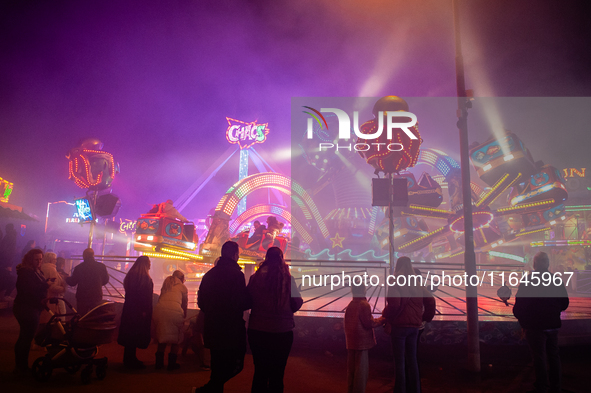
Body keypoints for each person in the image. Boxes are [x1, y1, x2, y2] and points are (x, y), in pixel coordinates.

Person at [193, 241, 250, 393]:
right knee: (235, 363)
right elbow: (242, 302)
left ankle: (211, 388)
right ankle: (210, 388)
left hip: (213, 326)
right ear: (234, 255)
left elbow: (201, 302)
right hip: (232, 327)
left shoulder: (209, 275)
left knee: (217, 363)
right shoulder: (238, 275)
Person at [247, 247, 303, 393]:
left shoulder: (255, 278)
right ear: (281, 258)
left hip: (257, 330)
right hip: (282, 331)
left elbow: (247, 300)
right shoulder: (289, 279)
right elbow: (296, 303)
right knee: (277, 373)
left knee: (260, 371)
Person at [513, 251, 569, 393]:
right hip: (552, 324)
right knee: (554, 356)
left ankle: (542, 387)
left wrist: (521, 319)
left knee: (539, 357)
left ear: (535, 264)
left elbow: (520, 304)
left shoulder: (528, 280)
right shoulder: (556, 280)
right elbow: (564, 303)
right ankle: (556, 387)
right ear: (548, 264)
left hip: (534, 325)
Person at [382, 257, 435, 393]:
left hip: (399, 327)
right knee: (412, 360)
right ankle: (416, 390)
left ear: (397, 266)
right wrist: (424, 318)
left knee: (399, 362)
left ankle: (400, 390)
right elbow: (430, 300)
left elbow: (394, 304)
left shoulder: (395, 281)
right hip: (414, 328)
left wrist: (385, 315)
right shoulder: (417, 283)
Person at [13, 249, 49, 373]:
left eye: (40, 259)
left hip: (30, 307)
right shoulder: (26, 272)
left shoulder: (34, 271)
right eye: (36, 259)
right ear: (30, 260)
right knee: (26, 338)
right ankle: (21, 367)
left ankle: (20, 366)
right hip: (27, 307)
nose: (39, 262)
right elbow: (30, 290)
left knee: (24, 337)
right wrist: (45, 285)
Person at [344, 283, 384, 393]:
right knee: (361, 370)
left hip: (351, 340)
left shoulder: (350, 304)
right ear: (364, 290)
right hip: (362, 341)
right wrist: (382, 319)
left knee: (351, 369)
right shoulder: (364, 305)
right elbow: (369, 323)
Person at [117, 255, 154, 369]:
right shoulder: (146, 279)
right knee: (136, 334)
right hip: (140, 311)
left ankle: (128, 358)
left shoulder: (130, 276)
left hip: (129, 309)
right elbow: (146, 298)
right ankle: (131, 360)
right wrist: (146, 312)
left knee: (129, 334)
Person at [153, 270, 188, 371]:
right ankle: (172, 364)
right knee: (176, 339)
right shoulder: (183, 287)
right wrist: (184, 316)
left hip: (160, 311)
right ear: (181, 278)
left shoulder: (166, 284)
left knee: (162, 335)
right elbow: (184, 304)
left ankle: (158, 364)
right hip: (175, 312)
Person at [66, 248, 109, 315]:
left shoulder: (79, 268)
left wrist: (66, 278)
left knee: (81, 317)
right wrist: (98, 284)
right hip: (96, 295)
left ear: (84, 256)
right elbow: (106, 280)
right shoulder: (101, 266)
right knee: (95, 316)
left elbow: (73, 282)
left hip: (82, 297)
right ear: (93, 255)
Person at [40, 252, 67, 319]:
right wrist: (63, 288)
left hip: (45, 297)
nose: (56, 261)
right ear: (51, 260)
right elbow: (53, 287)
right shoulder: (51, 269)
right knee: (61, 316)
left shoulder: (42, 268)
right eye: (55, 259)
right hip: (53, 298)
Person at [0, 223, 17, 300]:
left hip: (4, 262)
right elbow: (10, 252)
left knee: (5, 278)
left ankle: (4, 295)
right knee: (9, 279)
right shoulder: (11, 237)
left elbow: (5, 251)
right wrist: (9, 263)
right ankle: (5, 296)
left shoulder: (8, 237)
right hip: (6, 262)